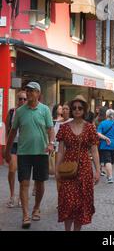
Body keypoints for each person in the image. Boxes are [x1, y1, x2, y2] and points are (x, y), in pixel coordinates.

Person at [4, 82, 55, 229]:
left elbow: (51, 129)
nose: (29, 93)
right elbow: (13, 132)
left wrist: (51, 143)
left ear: (38, 93)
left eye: (32, 91)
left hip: (41, 152)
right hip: (24, 153)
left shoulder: (45, 110)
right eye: (27, 91)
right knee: (24, 183)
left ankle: (36, 207)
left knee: (40, 183)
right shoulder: (20, 111)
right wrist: (7, 151)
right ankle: (26, 215)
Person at [55, 95, 100, 231]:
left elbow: (94, 150)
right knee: (67, 201)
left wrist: (97, 170)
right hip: (68, 168)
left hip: (85, 169)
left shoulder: (90, 128)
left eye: (80, 108)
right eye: (74, 108)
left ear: (84, 110)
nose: (77, 110)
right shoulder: (64, 127)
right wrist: (57, 169)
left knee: (81, 203)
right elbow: (61, 151)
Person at [5, 91, 27, 208]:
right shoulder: (12, 112)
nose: (22, 101)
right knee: (12, 169)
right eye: (20, 99)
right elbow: (7, 129)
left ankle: (20, 196)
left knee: (23, 172)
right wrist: (5, 147)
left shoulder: (29, 112)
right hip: (13, 144)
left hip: (25, 145)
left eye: (24, 99)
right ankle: (12, 195)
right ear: (17, 100)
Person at [97, 109, 114, 184]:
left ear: (106, 115)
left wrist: (105, 138)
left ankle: (110, 177)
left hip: (105, 145)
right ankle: (109, 175)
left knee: (108, 161)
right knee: (111, 161)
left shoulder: (102, 123)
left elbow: (98, 133)